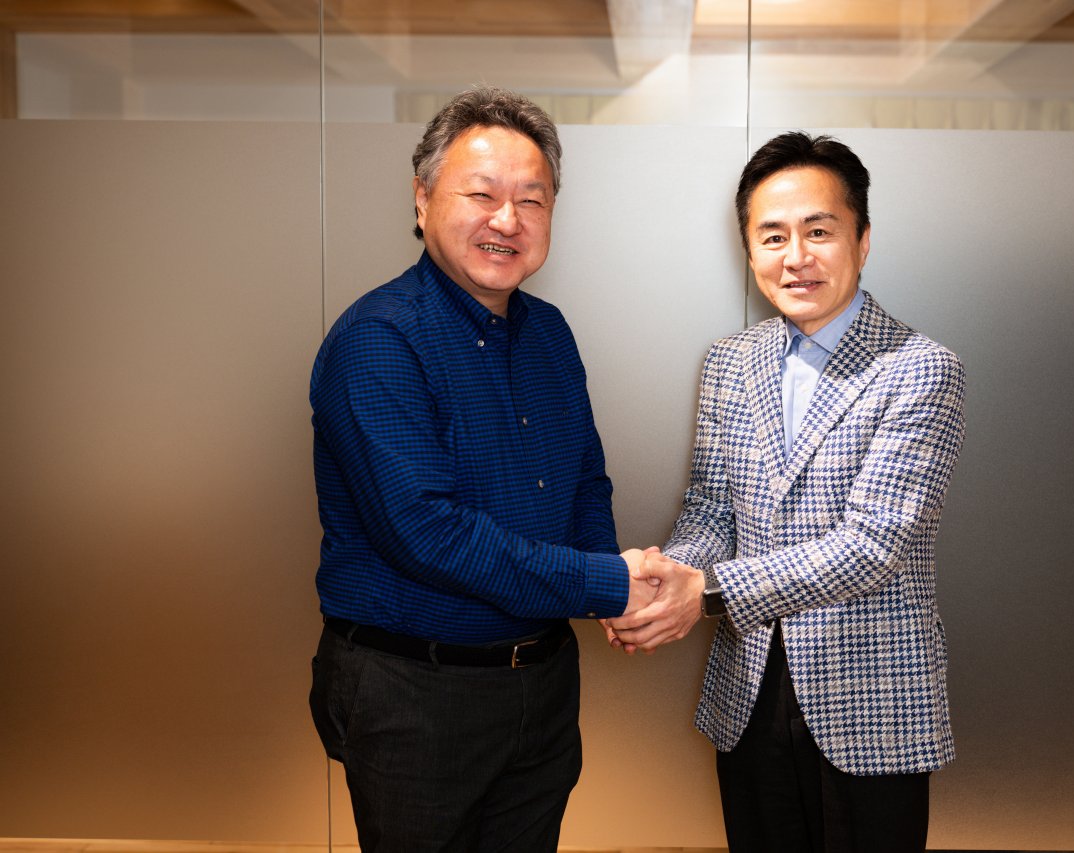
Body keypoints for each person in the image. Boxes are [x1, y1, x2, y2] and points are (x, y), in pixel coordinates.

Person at [307, 86, 662, 852]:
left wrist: (609, 581)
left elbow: (584, 480)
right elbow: (427, 534)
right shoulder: (379, 339)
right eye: (482, 194)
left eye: (532, 200)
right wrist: (607, 583)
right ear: (422, 196)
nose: (508, 220)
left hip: (541, 685)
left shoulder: (550, 332)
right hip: (415, 695)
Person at [609, 132, 967, 851]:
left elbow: (872, 546)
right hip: (747, 693)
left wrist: (704, 592)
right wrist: (661, 579)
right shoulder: (729, 361)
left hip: (870, 702)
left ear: (863, 240)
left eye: (819, 231)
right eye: (772, 236)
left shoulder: (921, 369)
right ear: (750, 251)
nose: (795, 256)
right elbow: (711, 509)